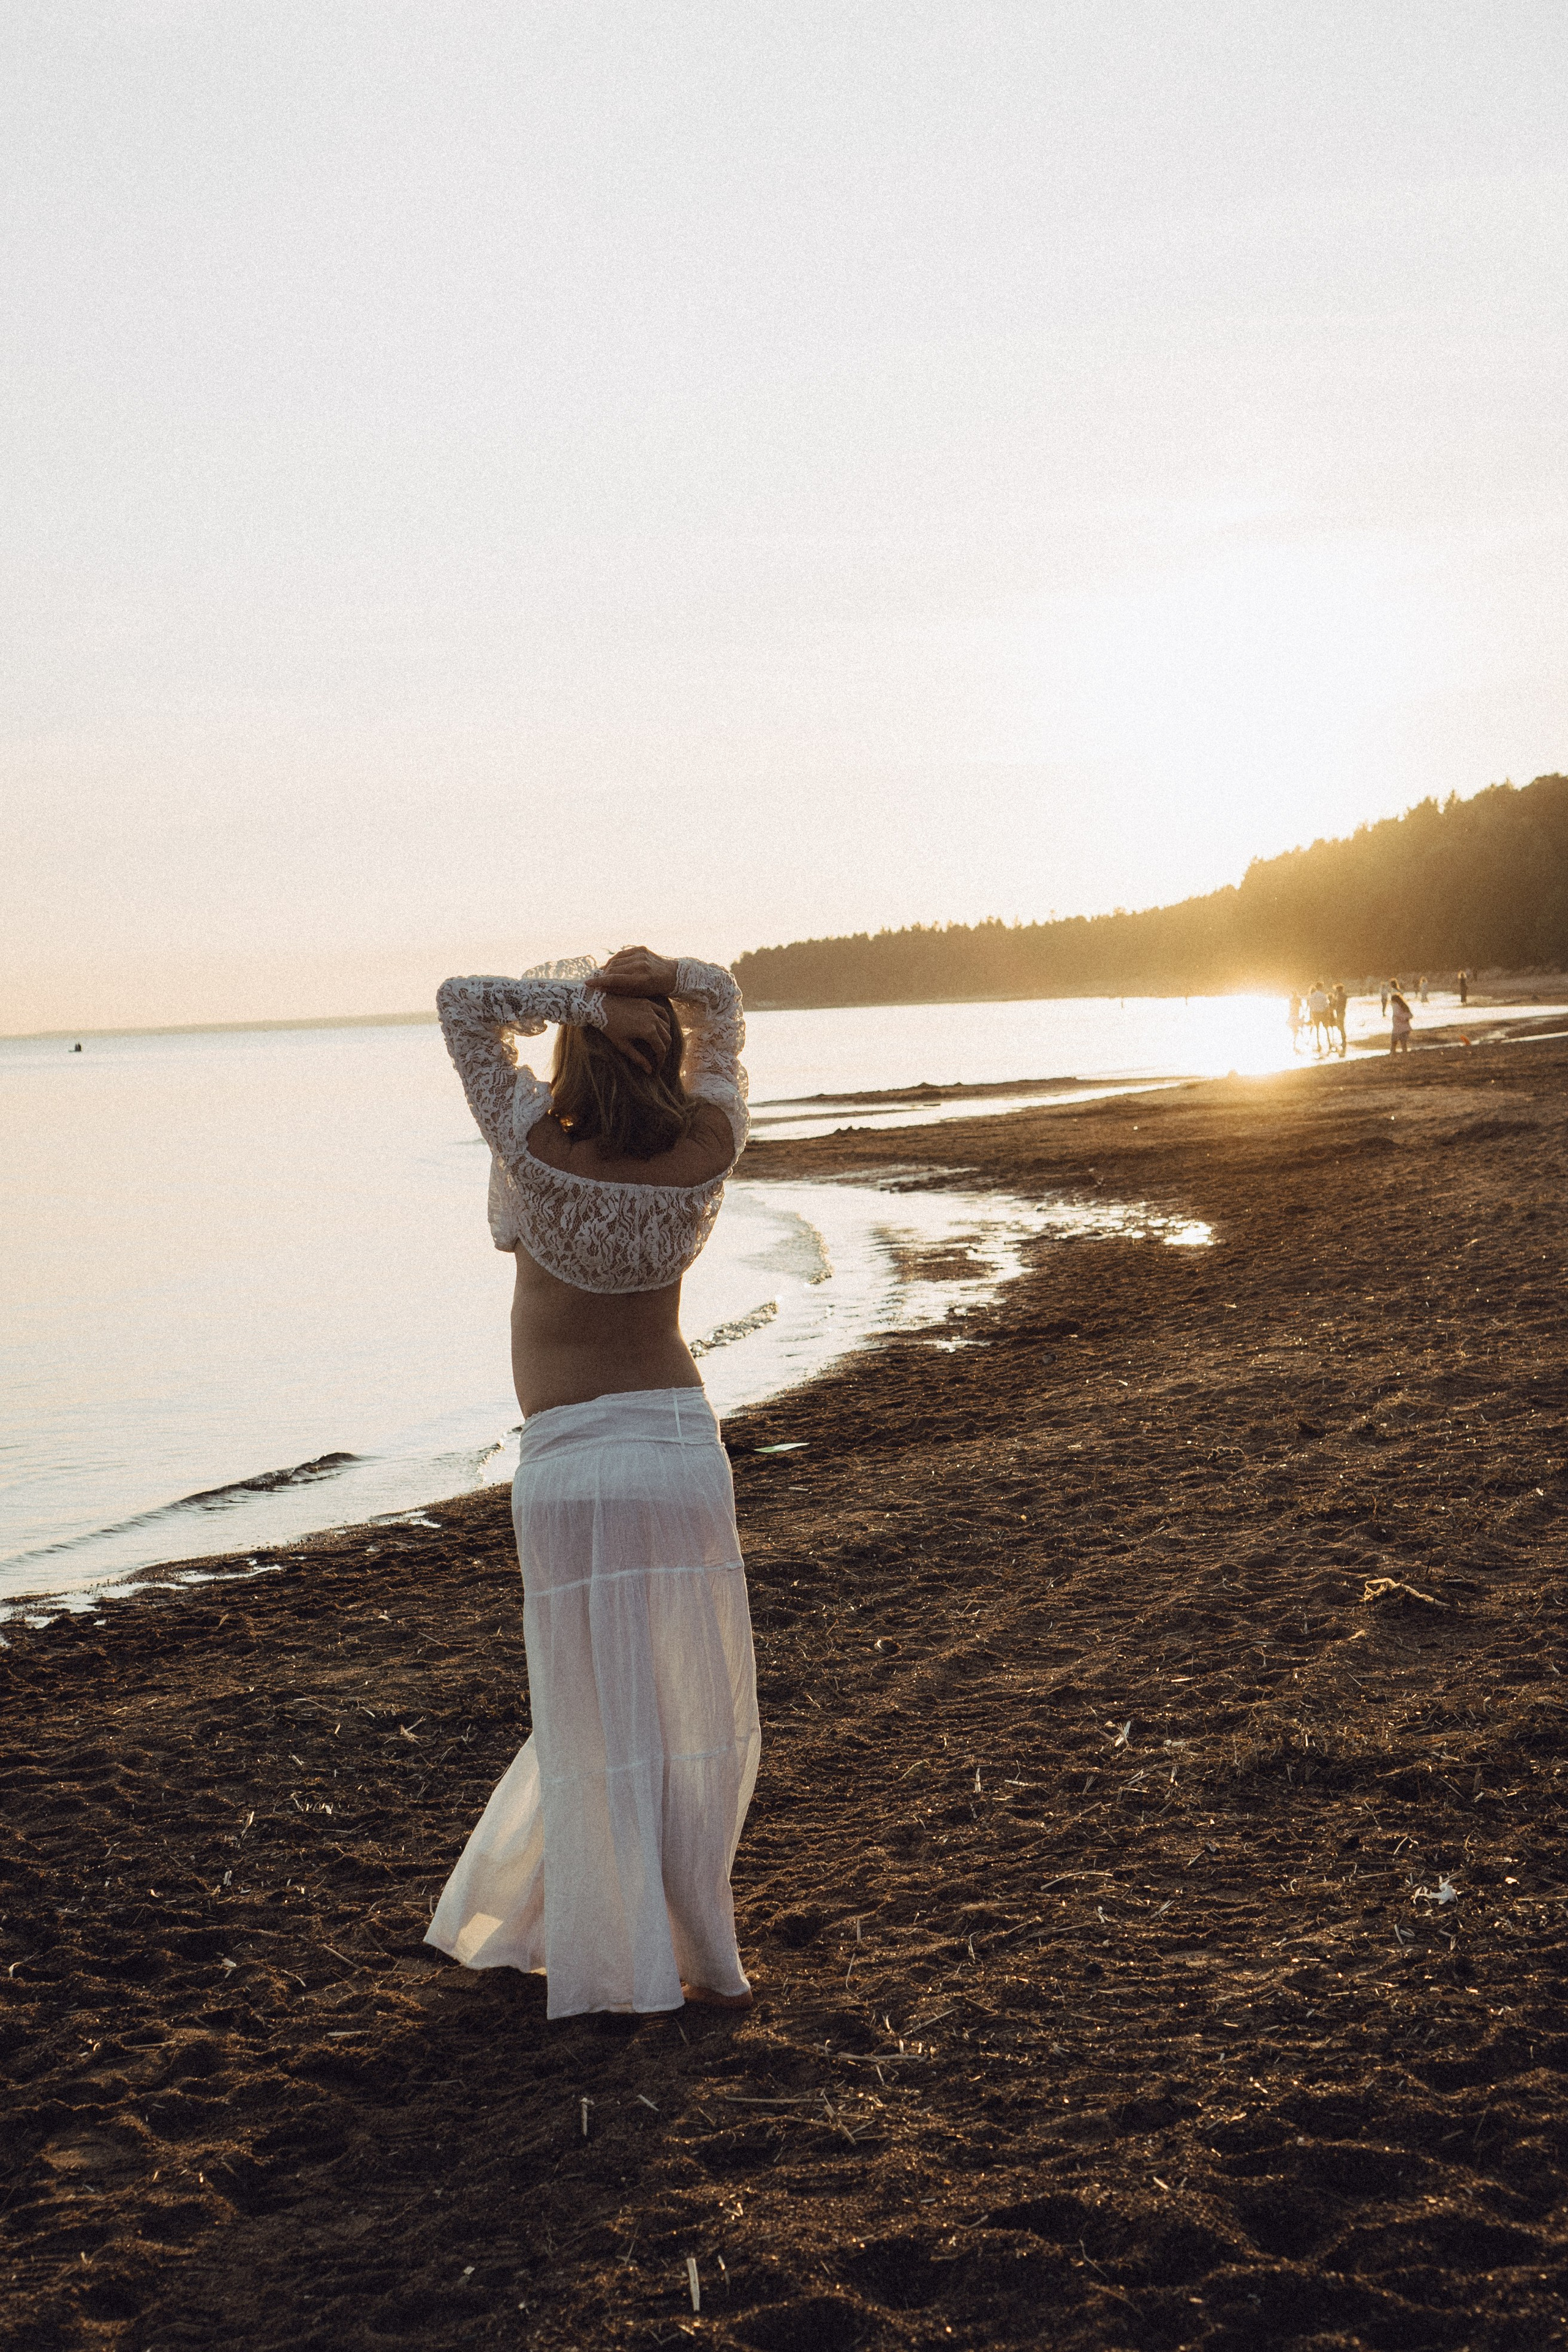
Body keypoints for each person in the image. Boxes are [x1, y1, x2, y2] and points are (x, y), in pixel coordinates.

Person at [425, 946, 759, 2019]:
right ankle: (692, 1944)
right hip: (676, 1450)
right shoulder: (707, 1148)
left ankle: (609, 1955)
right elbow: (726, 1015)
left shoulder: (530, 1149)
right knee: (681, 1710)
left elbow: (463, 1003)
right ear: (665, 1058)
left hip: (571, 1461)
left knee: (592, 1721)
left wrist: (591, 1003)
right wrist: (667, 985)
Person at [1389, 987, 1413, 1054]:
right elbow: (1410, 1015)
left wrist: (1401, 1018)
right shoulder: (1404, 1006)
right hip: (1405, 1028)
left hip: (1398, 1027)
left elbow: (1398, 1015)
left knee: (1394, 1042)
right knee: (1403, 1043)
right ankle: (1404, 1053)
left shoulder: (1396, 1006)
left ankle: (1393, 1053)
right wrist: (1405, 1019)